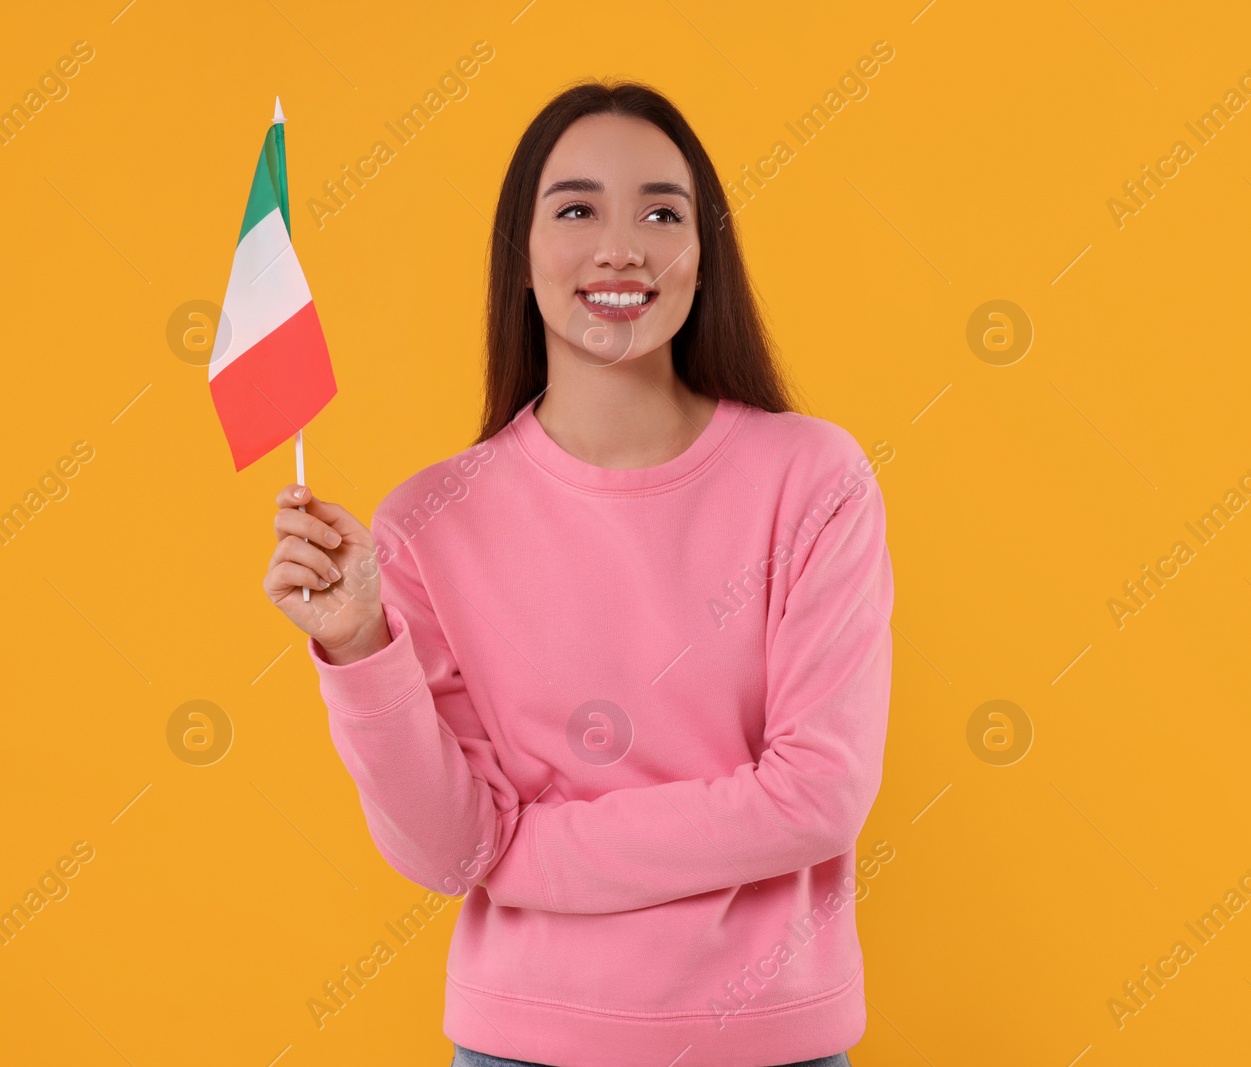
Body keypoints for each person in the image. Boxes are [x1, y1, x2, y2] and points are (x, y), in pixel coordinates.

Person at [263, 78, 893, 1067]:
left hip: (772, 1041)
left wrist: (529, 854)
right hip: (522, 1044)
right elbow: (448, 850)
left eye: (660, 211)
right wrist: (358, 642)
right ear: (520, 254)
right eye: (576, 210)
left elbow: (818, 793)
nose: (620, 246)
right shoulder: (426, 524)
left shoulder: (812, 477)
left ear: (702, 254)